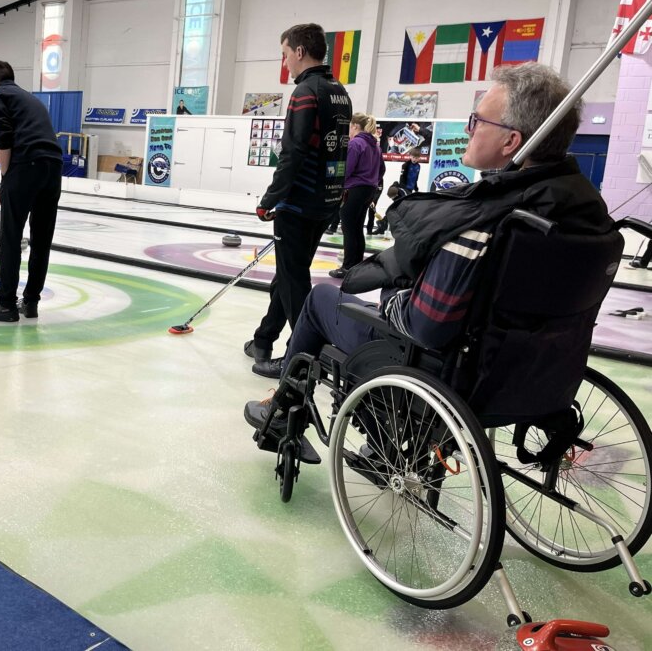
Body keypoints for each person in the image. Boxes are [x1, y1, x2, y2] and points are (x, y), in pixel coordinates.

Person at [246, 63, 614, 396]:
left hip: (446, 367)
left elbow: (426, 325)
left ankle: (281, 407)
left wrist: (394, 293)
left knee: (321, 299)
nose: (469, 129)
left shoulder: (488, 220)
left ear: (511, 141)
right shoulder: (583, 211)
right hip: (536, 373)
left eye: (477, 121)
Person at [243, 23, 352, 366]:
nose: (285, 62)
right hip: (325, 200)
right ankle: (264, 339)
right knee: (290, 274)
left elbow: (293, 152)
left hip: (299, 202)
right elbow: (339, 150)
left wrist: (269, 199)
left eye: (285, 54)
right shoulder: (340, 91)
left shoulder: (306, 91)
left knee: (294, 280)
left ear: (300, 51)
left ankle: (303, 359)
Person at [0, 60, 63, 322]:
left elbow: (3, 138)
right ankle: (31, 302)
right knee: (41, 240)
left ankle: (6, 304)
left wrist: (6, 179)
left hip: (27, 164)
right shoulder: (30, 99)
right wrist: (7, 185)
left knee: (10, 237)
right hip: (53, 167)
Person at [329, 112, 384, 279]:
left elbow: (346, 169)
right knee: (357, 228)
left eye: (349, 127)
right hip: (369, 190)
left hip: (354, 189)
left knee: (349, 228)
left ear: (354, 126)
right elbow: (382, 169)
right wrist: (372, 181)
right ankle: (357, 266)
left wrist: (337, 185)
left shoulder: (355, 144)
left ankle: (347, 267)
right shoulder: (375, 145)